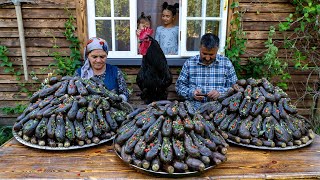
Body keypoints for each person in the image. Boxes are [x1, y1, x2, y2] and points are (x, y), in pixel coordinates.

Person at [175, 33, 238, 109]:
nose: (207, 58)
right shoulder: (189, 63)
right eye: (204, 53)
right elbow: (179, 86)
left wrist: (220, 93)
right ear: (200, 48)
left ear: (217, 50)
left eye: (211, 54)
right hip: (194, 111)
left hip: (219, 112)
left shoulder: (226, 63)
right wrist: (192, 93)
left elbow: (235, 87)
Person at [75, 37, 129, 101]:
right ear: (88, 56)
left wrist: (118, 100)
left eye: (102, 57)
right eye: (94, 57)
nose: (98, 60)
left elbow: (125, 93)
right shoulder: (79, 73)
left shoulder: (115, 72)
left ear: (106, 55)